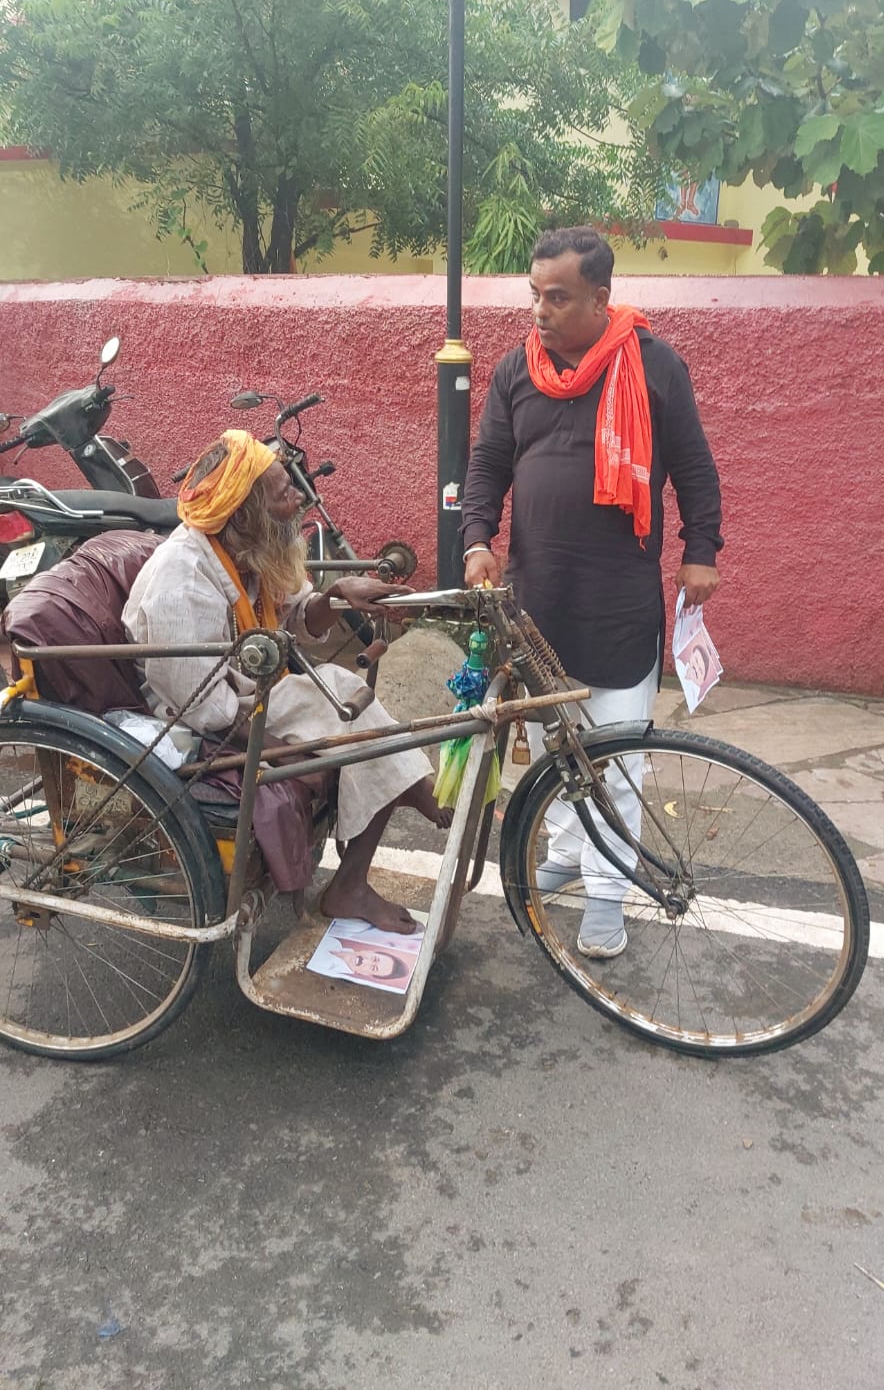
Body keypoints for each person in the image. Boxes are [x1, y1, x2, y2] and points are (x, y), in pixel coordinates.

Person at [462, 226, 722, 959]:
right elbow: (486, 465)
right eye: (534, 295)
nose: (539, 310)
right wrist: (478, 540)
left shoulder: (653, 365)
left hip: (617, 598)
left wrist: (701, 551)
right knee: (553, 748)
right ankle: (569, 850)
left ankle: (607, 892)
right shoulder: (518, 369)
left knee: (615, 755)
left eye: (557, 297)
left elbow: (696, 470)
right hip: (537, 593)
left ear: (599, 297)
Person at [123, 430, 451, 934]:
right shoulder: (182, 581)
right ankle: (408, 796)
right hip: (200, 718)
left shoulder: (249, 547)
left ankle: (404, 794)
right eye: (282, 492)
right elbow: (200, 708)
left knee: (346, 695)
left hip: (255, 689)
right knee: (355, 739)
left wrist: (336, 592)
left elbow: (298, 618)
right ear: (245, 510)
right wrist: (286, 752)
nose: (298, 497)